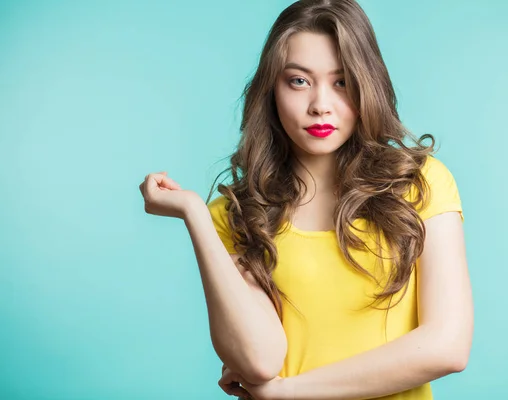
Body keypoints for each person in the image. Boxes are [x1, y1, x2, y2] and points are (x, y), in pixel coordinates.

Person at [138, 0, 473, 399]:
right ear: (271, 90)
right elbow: (259, 359)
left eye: (342, 81)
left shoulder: (419, 185)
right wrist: (195, 214)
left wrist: (286, 393)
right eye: (299, 81)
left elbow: (447, 346)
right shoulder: (237, 214)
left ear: (368, 85)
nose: (320, 105)